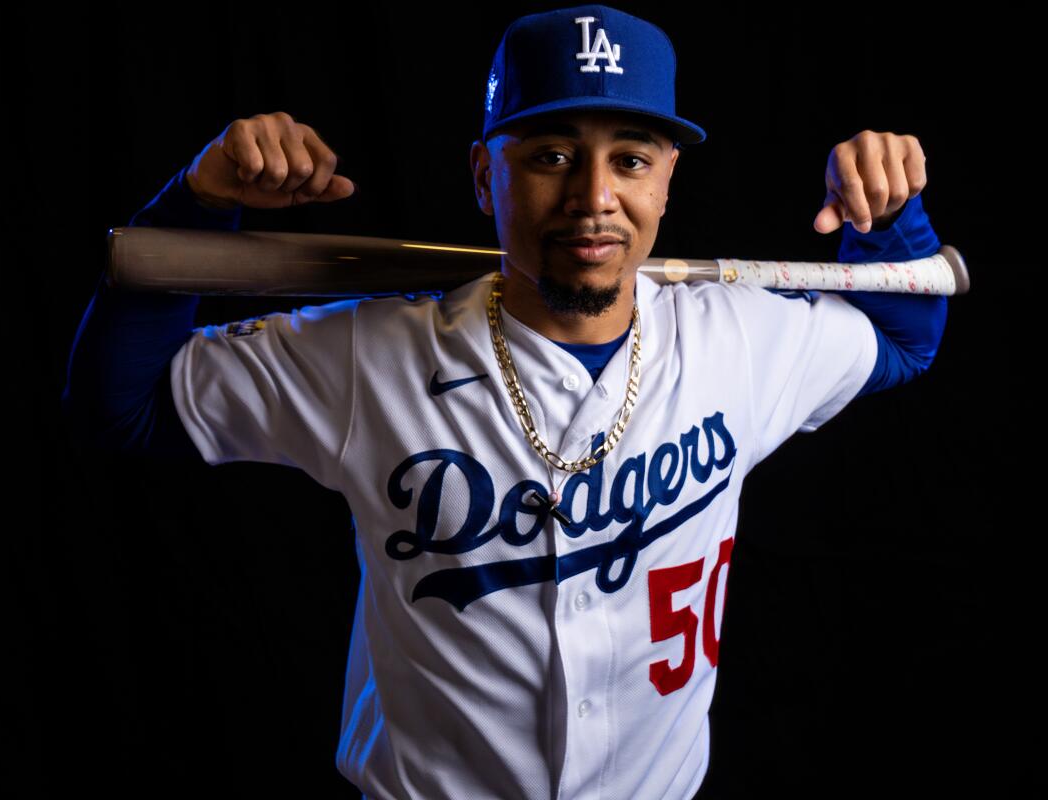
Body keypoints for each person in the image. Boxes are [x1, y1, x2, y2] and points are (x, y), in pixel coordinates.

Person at [63, 5, 948, 798]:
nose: (594, 200)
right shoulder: (370, 356)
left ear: (666, 180)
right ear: (485, 176)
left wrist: (891, 212)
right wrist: (200, 202)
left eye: (629, 160)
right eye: (550, 156)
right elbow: (120, 405)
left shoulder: (743, 341)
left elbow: (910, 336)